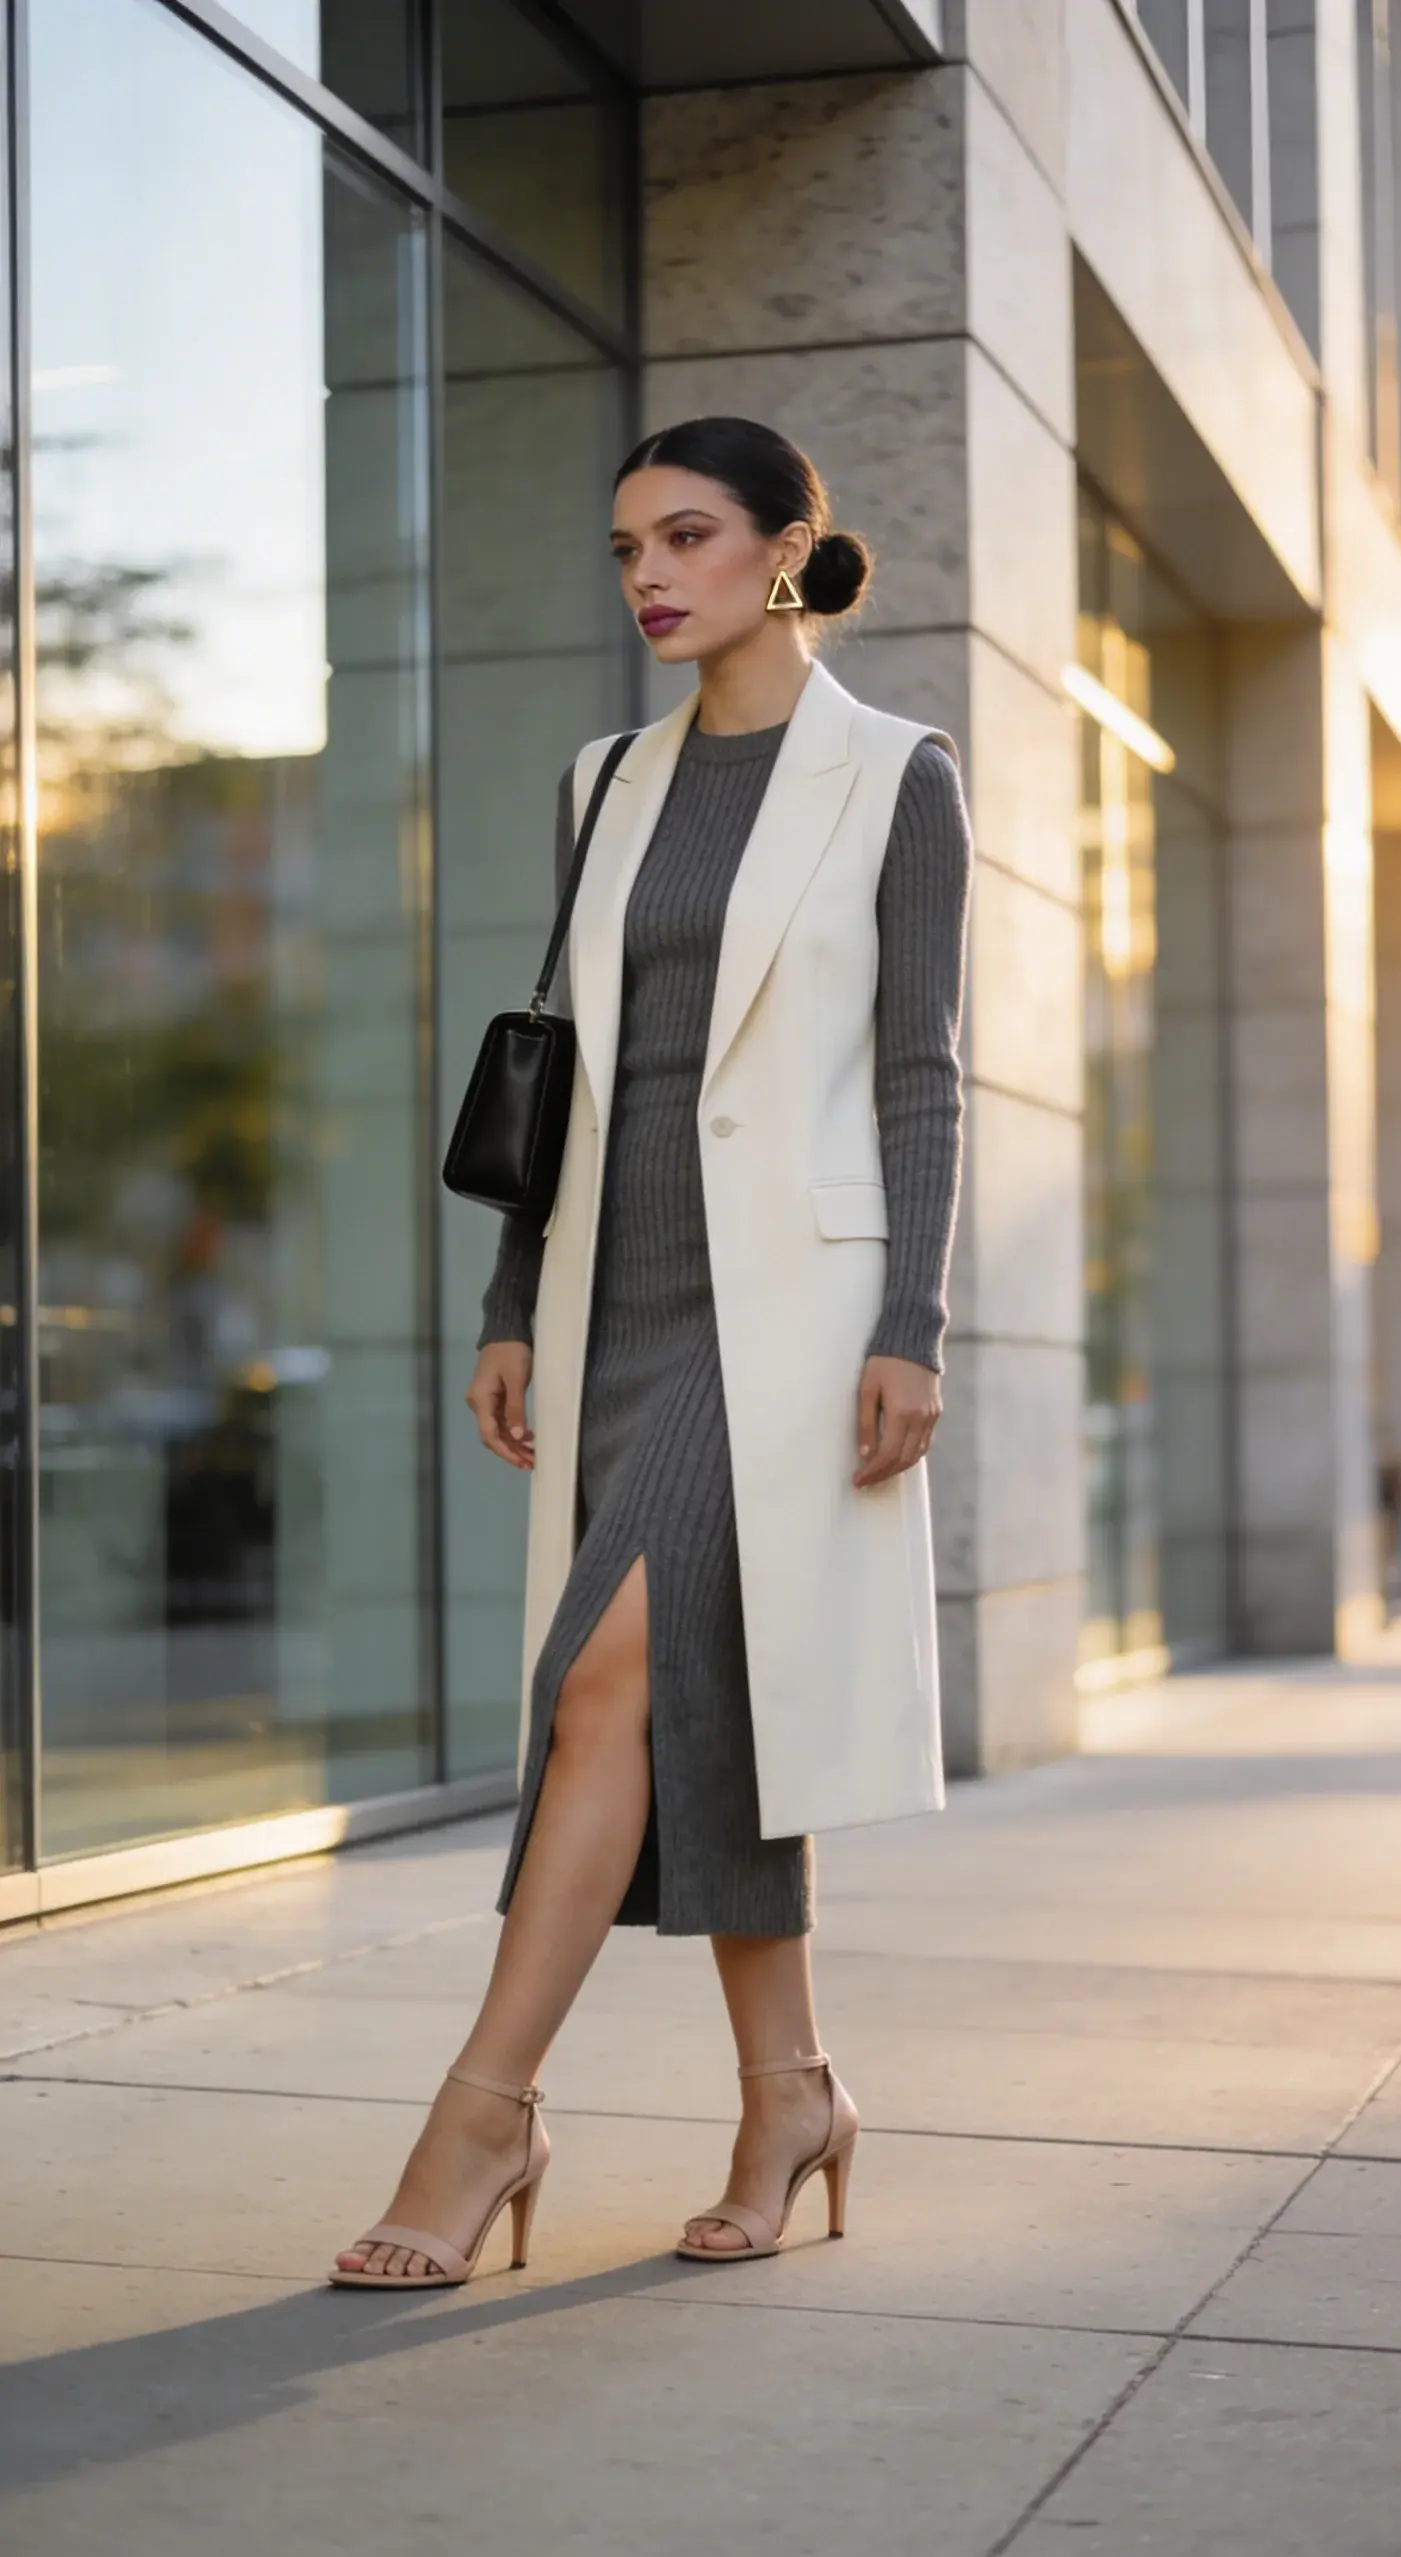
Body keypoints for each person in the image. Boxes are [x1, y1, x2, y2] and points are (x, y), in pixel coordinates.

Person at [332, 415, 973, 2289]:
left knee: (600, 1681)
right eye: (626, 549)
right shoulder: (603, 778)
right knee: (700, 1697)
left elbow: (922, 1074)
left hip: (791, 1314)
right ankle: (795, 2093)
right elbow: (555, 1064)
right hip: (621, 1300)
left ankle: (485, 2117)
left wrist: (909, 1322)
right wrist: (512, 1300)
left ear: (786, 550)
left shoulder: (890, 776)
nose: (648, 578)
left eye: (685, 539)